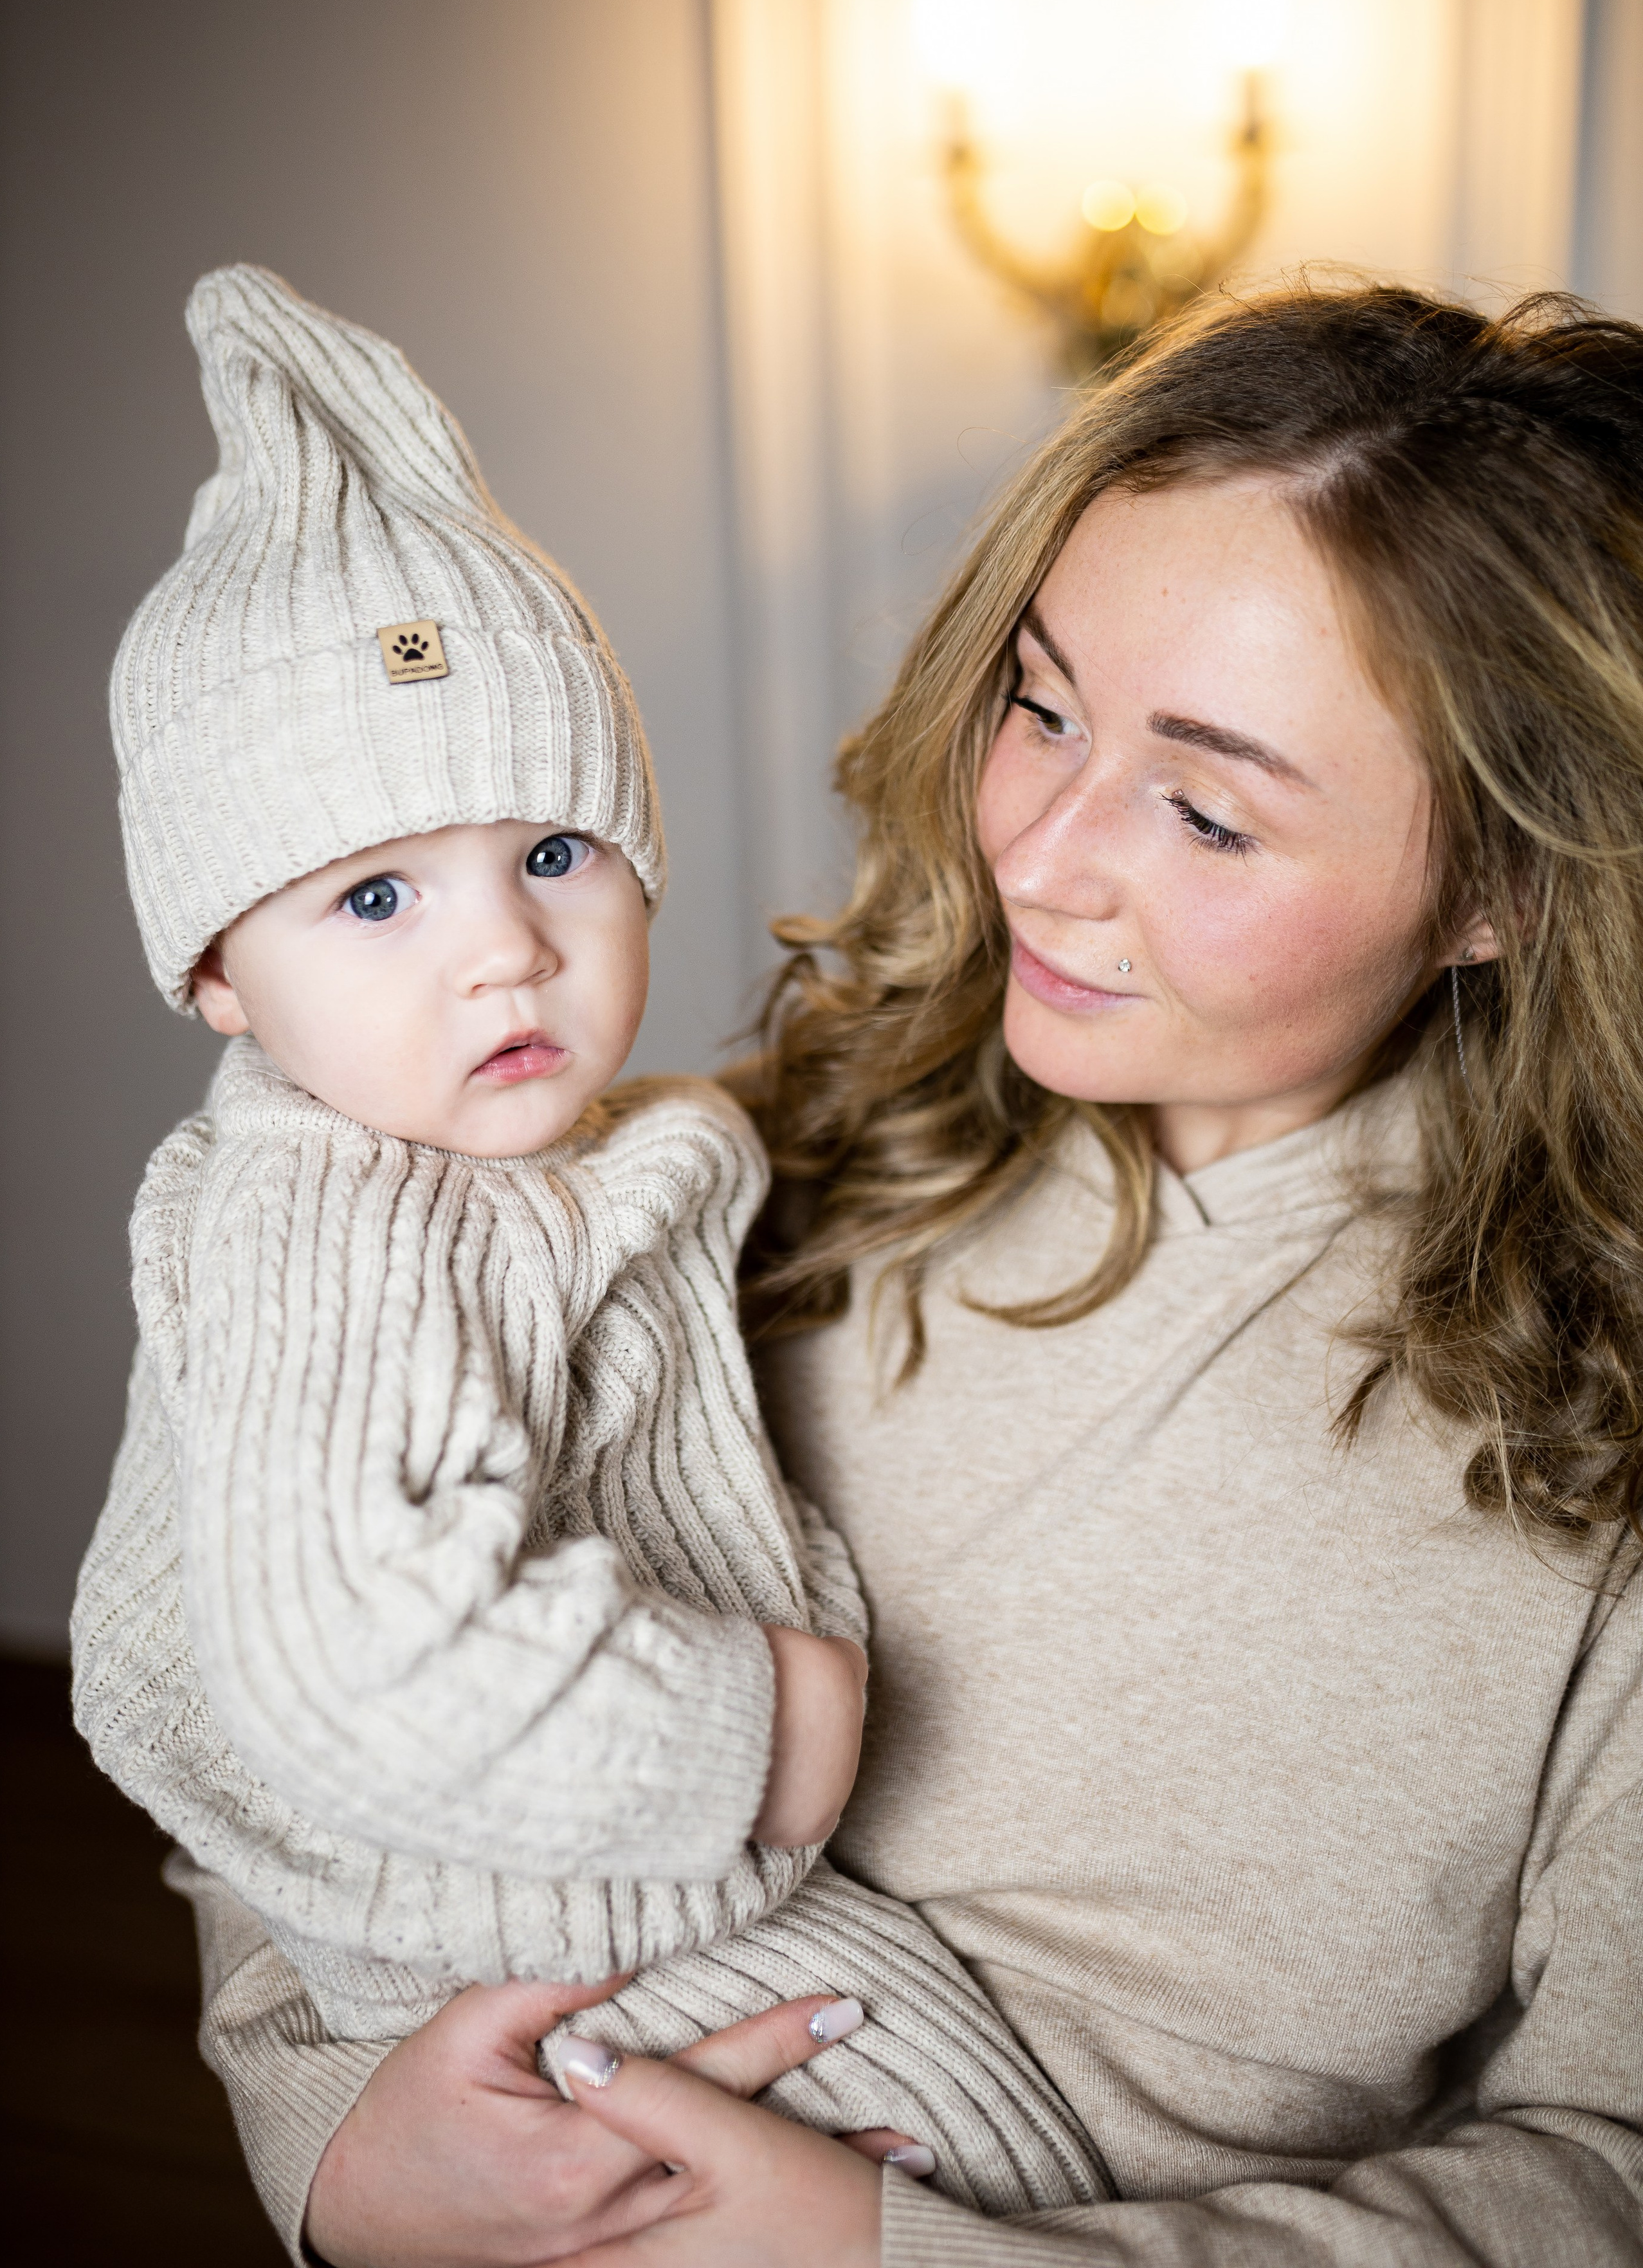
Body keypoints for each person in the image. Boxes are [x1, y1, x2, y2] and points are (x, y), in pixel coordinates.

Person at [103, 278, 1643, 2268]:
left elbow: (1608, 2171)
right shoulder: (744, 1159)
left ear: (1511, 880)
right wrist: (340, 2143)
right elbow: (286, 1679)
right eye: (1041, 703)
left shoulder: (1602, 1449)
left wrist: (880, 2252)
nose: (1041, 852)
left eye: (1204, 806)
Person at [70, 266, 1116, 2235]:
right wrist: (769, 1724)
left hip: (612, 1894)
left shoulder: (543, 1161)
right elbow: (350, 1666)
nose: (502, 950)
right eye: (374, 893)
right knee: (975, 2168)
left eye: (552, 855)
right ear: (216, 971)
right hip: (558, 1921)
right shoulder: (345, 1217)